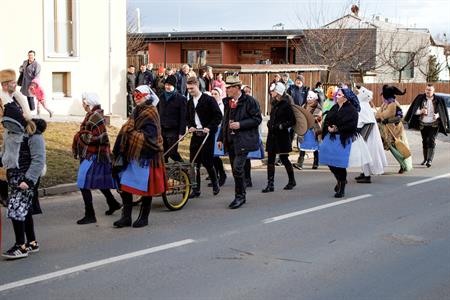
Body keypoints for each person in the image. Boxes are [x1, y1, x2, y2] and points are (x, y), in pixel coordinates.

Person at [1, 70, 45, 259]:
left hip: (25, 177)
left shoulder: (33, 135)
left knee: (17, 210)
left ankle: (21, 246)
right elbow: (7, 155)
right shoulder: (11, 134)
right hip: (14, 174)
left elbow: (38, 159)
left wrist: (29, 179)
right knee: (24, 211)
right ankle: (32, 242)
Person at [112, 85, 166, 228]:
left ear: (146, 96)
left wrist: (129, 133)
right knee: (125, 185)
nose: (136, 98)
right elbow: (127, 128)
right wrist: (128, 132)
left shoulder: (151, 112)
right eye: (134, 95)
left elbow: (151, 138)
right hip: (133, 154)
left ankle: (144, 217)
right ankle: (126, 217)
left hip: (147, 156)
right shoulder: (137, 110)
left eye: (139, 95)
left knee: (145, 188)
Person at [72, 93, 122, 225]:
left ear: (88, 103)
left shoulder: (95, 116)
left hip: (96, 155)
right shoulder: (92, 114)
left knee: (83, 183)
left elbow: (101, 138)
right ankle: (113, 203)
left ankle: (90, 215)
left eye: (83, 102)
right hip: (94, 154)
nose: (82, 104)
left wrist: (81, 136)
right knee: (99, 181)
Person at [217, 74, 262, 209]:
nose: (227, 90)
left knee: (237, 168)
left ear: (237, 88)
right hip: (230, 140)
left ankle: (239, 197)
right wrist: (220, 138)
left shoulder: (250, 101)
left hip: (243, 140)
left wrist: (240, 125)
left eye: (229, 88)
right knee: (236, 168)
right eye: (226, 87)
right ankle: (241, 194)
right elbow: (224, 121)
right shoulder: (228, 102)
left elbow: (257, 119)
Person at [319, 88, 366, 198]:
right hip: (331, 138)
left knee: (339, 164)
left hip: (343, 139)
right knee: (330, 163)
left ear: (345, 98)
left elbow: (352, 126)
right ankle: (340, 180)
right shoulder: (335, 107)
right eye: (336, 94)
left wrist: (337, 128)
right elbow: (328, 120)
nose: (336, 96)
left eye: (339, 94)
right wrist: (329, 127)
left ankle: (342, 187)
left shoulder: (351, 110)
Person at [186, 77, 222, 198]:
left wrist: (210, 127)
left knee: (207, 161)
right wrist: (190, 126)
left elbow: (218, 116)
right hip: (196, 134)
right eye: (188, 89)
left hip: (207, 134)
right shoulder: (190, 102)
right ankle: (196, 189)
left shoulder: (209, 100)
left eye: (192, 88)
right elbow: (188, 118)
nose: (190, 91)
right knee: (193, 163)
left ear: (197, 86)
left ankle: (215, 182)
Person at [262, 82, 296, 193]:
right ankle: (270, 184)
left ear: (279, 92)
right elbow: (273, 118)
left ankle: (292, 181)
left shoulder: (286, 105)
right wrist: (269, 124)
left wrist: (281, 126)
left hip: (282, 136)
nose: (271, 92)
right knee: (271, 160)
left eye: (273, 91)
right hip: (272, 135)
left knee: (284, 158)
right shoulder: (274, 103)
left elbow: (292, 121)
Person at [404, 84, 450, 167]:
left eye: (429, 90)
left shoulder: (439, 99)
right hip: (423, 124)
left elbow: (443, 112)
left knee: (431, 140)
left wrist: (438, 115)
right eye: (426, 89)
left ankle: (429, 160)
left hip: (434, 124)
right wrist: (420, 111)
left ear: (433, 91)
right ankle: (425, 159)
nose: (427, 91)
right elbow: (413, 111)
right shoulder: (420, 98)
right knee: (424, 141)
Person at [376, 85, 412, 174]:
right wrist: (378, 119)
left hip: (396, 131)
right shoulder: (385, 103)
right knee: (381, 148)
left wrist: (388, 120)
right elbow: (379, 114)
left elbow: (399, 117)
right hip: (385, 131)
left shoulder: (395, 104)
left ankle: (405, 165)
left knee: (399, 150)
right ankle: (377, 167)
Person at [354, 86, 387, 183]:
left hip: (366, 135)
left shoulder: (363, 106)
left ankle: (367, 175)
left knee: (365, 154)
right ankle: (364, 173)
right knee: (362, 155)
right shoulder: (363, 104)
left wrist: (362, 136)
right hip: (365, 134)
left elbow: (368, 122)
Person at [157, 75, 187, 163]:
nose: (167, 86)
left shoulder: (181, 99)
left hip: (174, 129)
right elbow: (157, 112)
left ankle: (184, 169)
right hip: (162, 128)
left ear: (174, 86)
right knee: (162, 152)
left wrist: (182, 132)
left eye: (169, 85)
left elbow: (183, 117)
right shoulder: (161, 97)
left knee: (172, 152)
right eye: (166, 84)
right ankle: (164, 172)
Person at [297, 91, 322, 170]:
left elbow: (317, 117)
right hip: (304, 130)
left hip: (314, 130)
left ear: (315, 99)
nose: (309, 100)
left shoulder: (318, 108)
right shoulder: (304, 106)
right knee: (302, 146)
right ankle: (300, 163)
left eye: (311, 98)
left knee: (315, 147)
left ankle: (316, 162)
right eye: (308, 98)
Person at [210, 87, 227, 186]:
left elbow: (223, 119)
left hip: (219, 131)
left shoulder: (222, 105)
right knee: (211, 156)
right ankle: (215, 176)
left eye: (215, 94)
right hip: (211, 130)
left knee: (215, 155)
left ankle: (222, 174)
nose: (213, 96)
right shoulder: (210, 105)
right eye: (212, 94)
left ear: (220, 95)